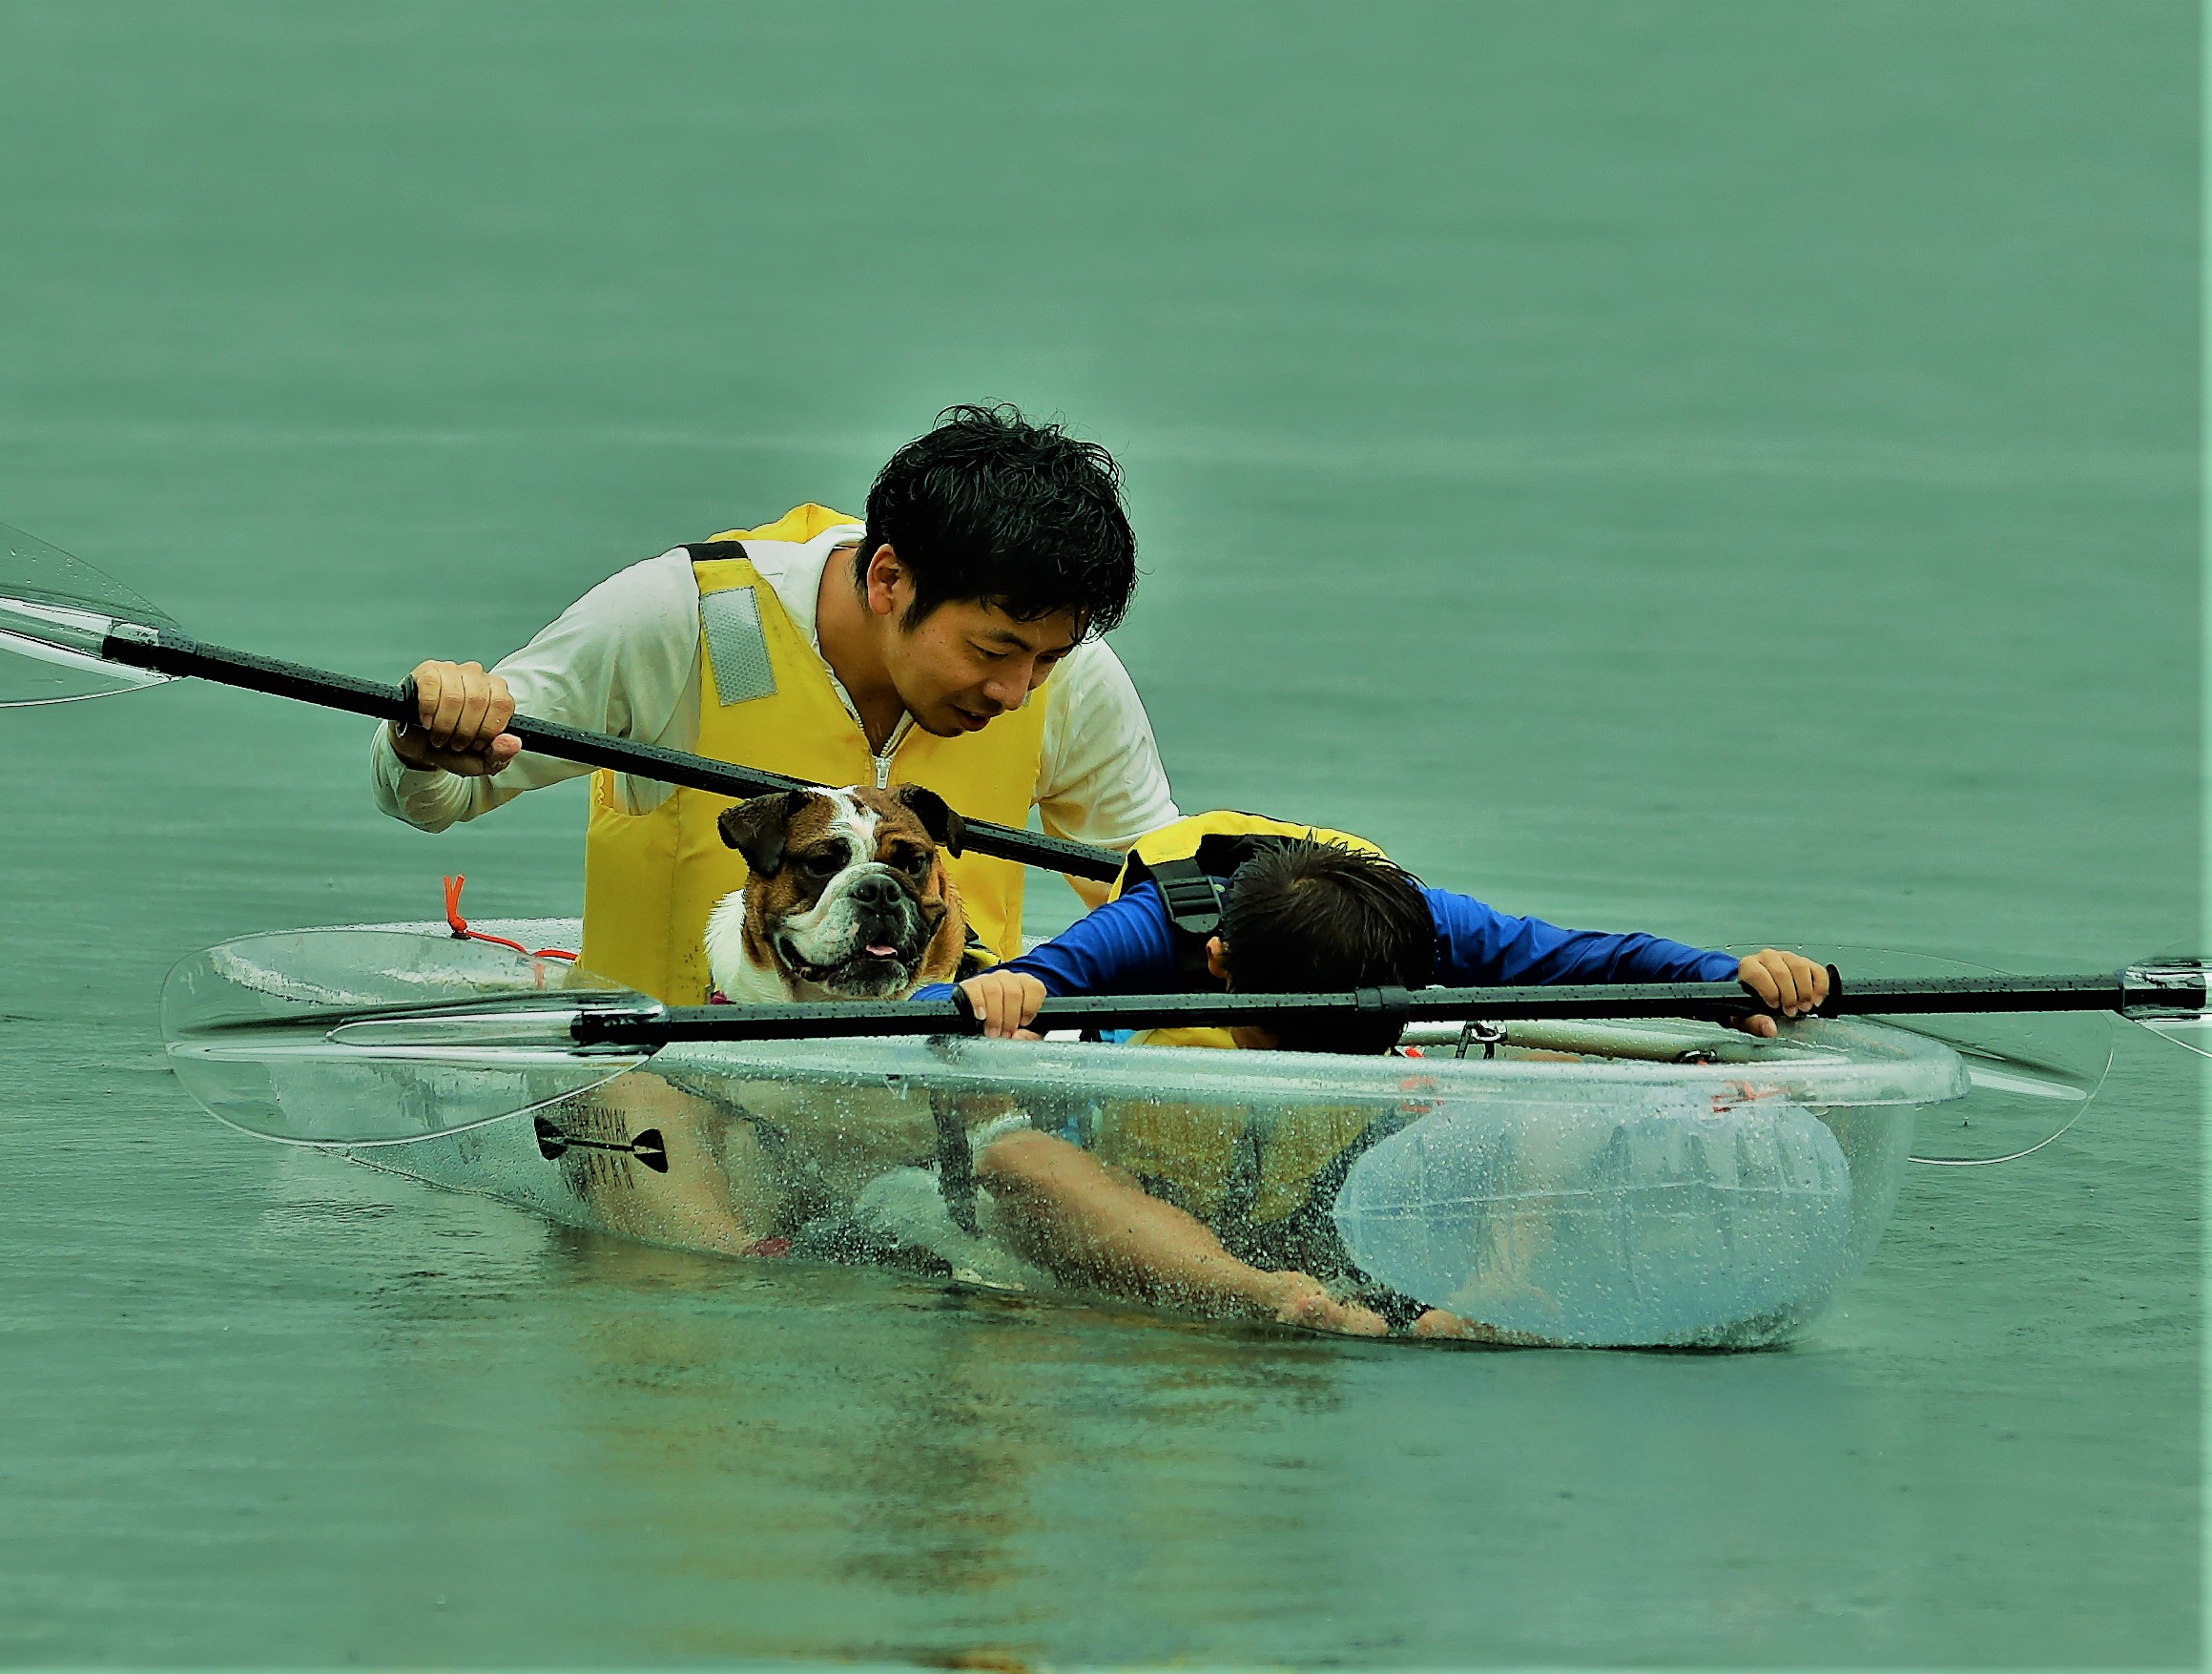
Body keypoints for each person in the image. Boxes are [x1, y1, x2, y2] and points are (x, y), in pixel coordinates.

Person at [371, 404, 1176, 1003]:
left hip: (941, 1086)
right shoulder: (679, 617)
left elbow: (1160, 895)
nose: (1016, 688)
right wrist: (423, 736)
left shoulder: (1071, 675)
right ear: (888, 579)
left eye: (1046, 658)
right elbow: (437, 796)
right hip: (668, 1086)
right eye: (993, 651)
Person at [920, 814, 1831, 1338]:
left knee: (1564, 1050)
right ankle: (1259, 1293)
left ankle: (1493, 1285)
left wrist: (1725, 982)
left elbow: (1594, 959)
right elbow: (1002, 1000)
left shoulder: (1426, 924)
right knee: (1017, 1157)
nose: (1330, 1068)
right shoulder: (1158, 929)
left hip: (1333, 1173)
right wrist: (1004, 991)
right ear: (1220, 967)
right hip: (1151, 1174)